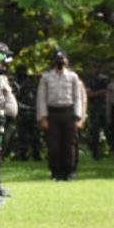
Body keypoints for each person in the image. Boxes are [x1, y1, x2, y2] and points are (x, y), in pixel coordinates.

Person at [36, 49, 84, 181]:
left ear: (67, 61)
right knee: (54, 144)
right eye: (57, 60)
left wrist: (78, 116)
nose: (60, 62)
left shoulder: (73, 76)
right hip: (52, 112)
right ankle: (55, 171)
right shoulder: (46, 77)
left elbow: (77, 97)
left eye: (62, 59)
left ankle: (69, 171)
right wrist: (43, 117)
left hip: (68, 111)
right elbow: (41, 98)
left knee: (69, 144)